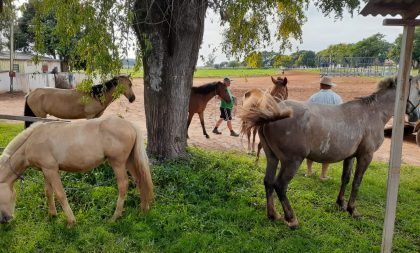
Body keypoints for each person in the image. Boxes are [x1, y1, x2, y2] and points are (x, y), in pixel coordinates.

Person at [306, 76, 343, 181]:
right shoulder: (337, 98)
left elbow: (307, 111)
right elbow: (341, 114)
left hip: (315, 127)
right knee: (327, 151)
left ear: (321, 85)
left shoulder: (313, 97)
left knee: (310, 149)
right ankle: (323, 175)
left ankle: (309, 171)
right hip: (330, 128)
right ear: (330, 86)